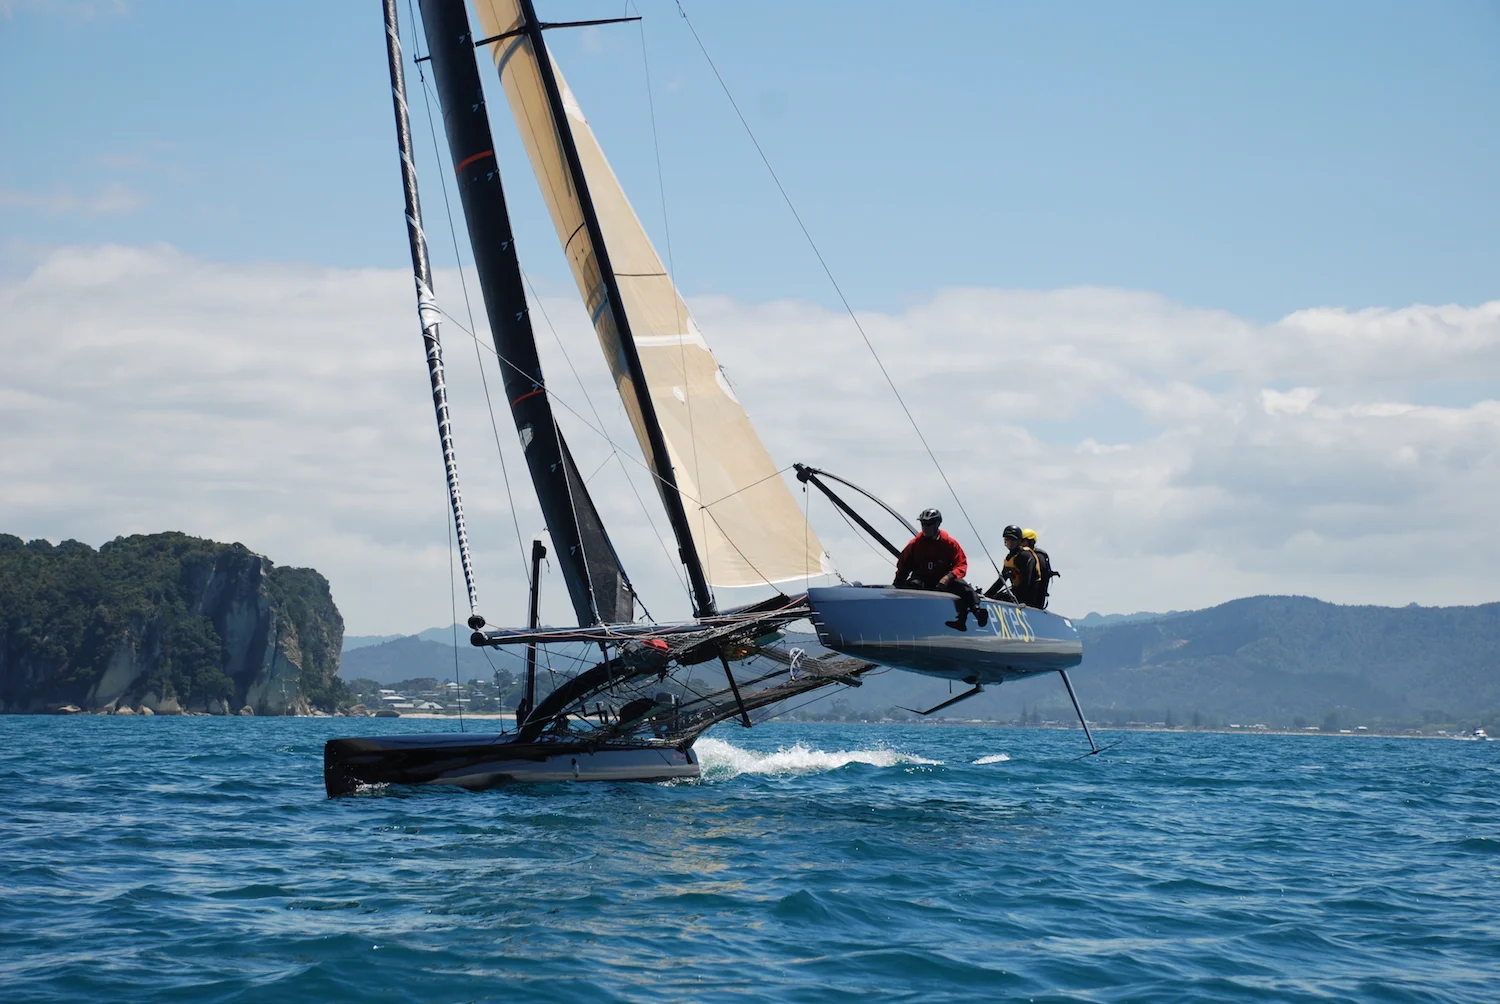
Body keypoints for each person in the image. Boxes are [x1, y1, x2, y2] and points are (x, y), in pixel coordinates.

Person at [894, 508, 988, 630]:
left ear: (937, 524)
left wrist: (948, 577)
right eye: (923, 524)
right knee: (913, 585)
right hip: (922, 580)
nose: (925, 527)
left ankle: (976, 613)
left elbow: (961, 564)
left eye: (929, 524)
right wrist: (896, 586)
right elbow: (903, 566)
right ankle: (912, 620)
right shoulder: (914, 544)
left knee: (962, 586)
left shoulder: (949, 543)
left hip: (942, 581)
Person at [987, 525, 1042, 608]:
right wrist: (987, 595)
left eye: (1012, 540)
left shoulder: (1026, 556)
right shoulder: (1008, 558)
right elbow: (1001, 581)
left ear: (1019, 541)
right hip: (1015, 594)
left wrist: (1020, 600)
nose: (1009, 542)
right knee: (996, 597)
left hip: (1030, 598)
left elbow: (1027, 581)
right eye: (1007, 540)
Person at [1022, 529, 1060, 609]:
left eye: (1023, 541)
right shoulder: (1024, 556)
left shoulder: (1038, 557)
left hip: (1033, 601)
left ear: (1031, 542)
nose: (1020, 544)